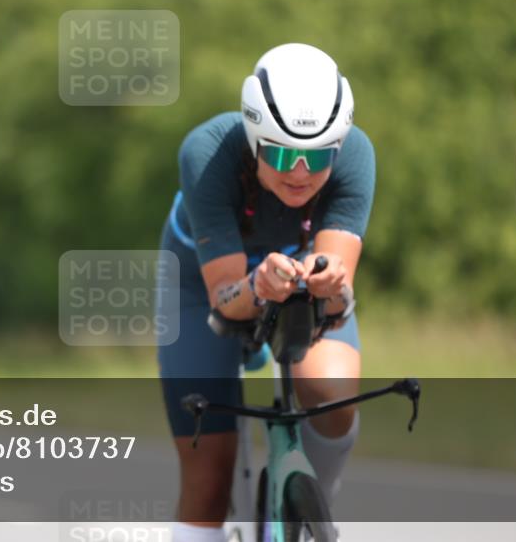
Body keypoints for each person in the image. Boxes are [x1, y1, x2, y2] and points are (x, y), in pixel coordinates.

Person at [157, 43, 375, 542]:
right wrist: (258, 285)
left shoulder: (358, 154)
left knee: (332, 393)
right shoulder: (206, 151)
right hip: (203, 278)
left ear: (339, 146)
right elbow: (226, 300)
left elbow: (339, 300)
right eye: (279, 154)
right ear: (254, 140)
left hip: (295, 270)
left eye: (317, 157)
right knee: (207, 478)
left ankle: (314, 499)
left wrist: (332, 285)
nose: (299, 172)